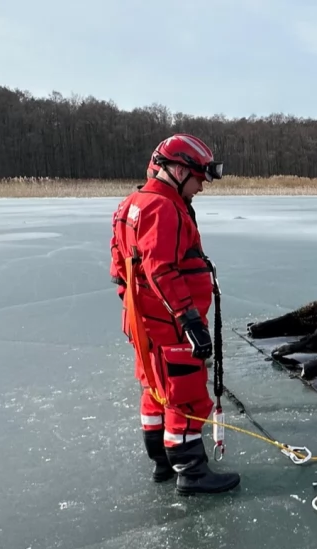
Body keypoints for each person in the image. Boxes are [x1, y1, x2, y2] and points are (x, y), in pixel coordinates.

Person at [109, 133, 241, 495]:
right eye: (199, 178)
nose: (201, 187)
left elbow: (120, 270)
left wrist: (135, 312)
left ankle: (162, 463)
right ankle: (192, 472)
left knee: (156, 389)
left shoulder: (130, 205)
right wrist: (189, 321)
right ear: (178, 170)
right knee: (184, 393)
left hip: (145, 323)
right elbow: (161, 270)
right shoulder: (163, 209)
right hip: (170, 325)